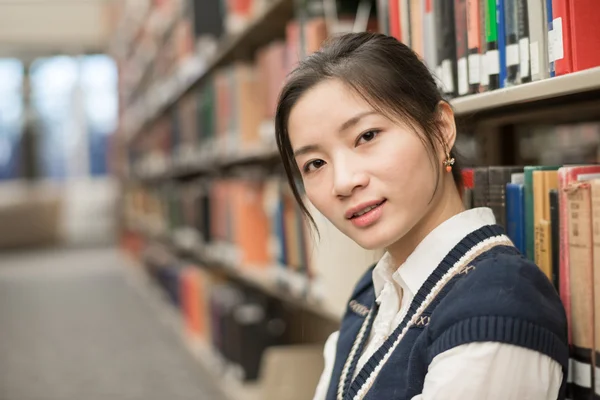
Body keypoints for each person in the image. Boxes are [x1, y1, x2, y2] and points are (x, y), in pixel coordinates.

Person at [274, 32, 569, 400]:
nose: (343, 182)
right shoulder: (373, 289)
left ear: (441, 129)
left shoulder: (498, 305)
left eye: (367, 136)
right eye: (315, 163)